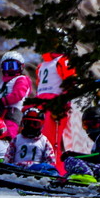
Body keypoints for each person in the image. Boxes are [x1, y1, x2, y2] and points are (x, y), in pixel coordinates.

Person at [35, 40, 76, 175]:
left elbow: (70, 81)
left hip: (55, 104)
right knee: (42, 139)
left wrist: (62, 104)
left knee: (56, 140)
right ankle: (43, 166)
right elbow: (39, 86)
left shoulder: (62, 60)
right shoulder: (42, 65)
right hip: (42, 106)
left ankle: (58, 170)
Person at [0, 50, 32, 140]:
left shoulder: (21, 79)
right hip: (1, 112)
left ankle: (9, 148)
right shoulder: (4, 82)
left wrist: (1, 102)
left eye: (13, 66)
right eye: (7, 66)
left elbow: (18, 95)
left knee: (8, 134)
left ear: (21, 67)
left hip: (13, 112)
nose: (10, 69)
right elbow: (3, 96)